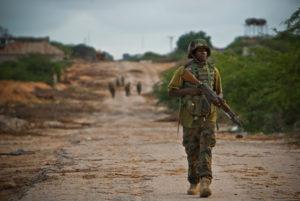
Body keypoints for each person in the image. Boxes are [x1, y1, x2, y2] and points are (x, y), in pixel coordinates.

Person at [168, 39, 222, 197]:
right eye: (199, 50)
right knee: (192, 150)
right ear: (192, 53)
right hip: (190, 117)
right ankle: (194, 182)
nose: (203, 53)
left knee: (206, 148)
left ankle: (205, 181)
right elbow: (171, 92)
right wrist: (193, 91)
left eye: (205, 50)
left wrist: (219, 99)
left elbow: (219, 91)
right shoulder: (183, 71)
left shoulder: (214, 70)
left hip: (208, 116)